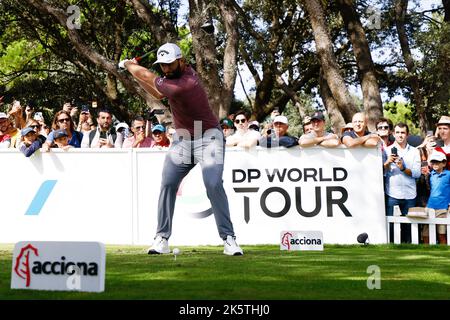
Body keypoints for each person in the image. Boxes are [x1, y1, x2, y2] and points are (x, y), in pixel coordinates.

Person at [119, 42, 243, 256]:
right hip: (183, 139)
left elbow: (149, 78)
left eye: (170, 64)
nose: (166, 69)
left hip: (209, 137)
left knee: (213, 184)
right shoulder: (171, 79)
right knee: (168, 183)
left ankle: (229, 238)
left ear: (182, 61)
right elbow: (157, 94)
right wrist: (134, 74)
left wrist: (129, 65)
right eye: (163, 65)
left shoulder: (186, 83)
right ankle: (162, 238)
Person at [383, 122, 421, 243]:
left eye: (403, 132)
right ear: (393, 134)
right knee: (391, 227)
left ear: (407, 134)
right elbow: (381, 173)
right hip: (392, 194)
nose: (400, 135)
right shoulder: (386, 151)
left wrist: (403, 168)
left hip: (410, 194)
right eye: (397, 132)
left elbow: (417, 173)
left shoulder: (415, 151)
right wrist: (387, 163)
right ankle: (391, 251)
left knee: (409, 229)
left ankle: (409, 251)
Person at [421, 151, 450, 244]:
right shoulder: (429, 175)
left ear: (444, 163)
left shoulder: (449, 174)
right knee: (426, 233)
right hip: (430, 207)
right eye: (433, 162)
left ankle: (443, 253)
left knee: (441, 233)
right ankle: (426, 253)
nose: (435, 164)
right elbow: (424, 188)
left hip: (443, 208)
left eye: (438, 162)